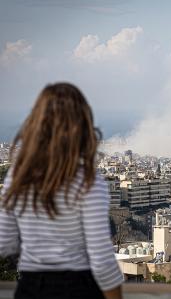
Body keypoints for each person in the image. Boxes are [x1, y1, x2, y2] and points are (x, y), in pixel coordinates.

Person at [0, 83, 123, 299]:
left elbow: (5, 242)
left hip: (30, 287)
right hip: (78, 288)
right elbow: (102, 261)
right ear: (83, 126)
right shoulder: (88, 181)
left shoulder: (17, 176)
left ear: (37, 124)